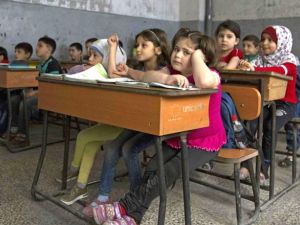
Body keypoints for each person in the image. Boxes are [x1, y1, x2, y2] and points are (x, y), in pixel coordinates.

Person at [92, 28, 226, 225]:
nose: (178, 55)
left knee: (170, 170)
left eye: (187, 52)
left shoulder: (211, 75)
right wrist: (166, 78)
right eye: (176, 49)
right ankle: (134, 218)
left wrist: (198, 56)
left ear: (202, 57)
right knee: (153, 169)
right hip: (177, 137)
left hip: (204, 141)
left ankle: (123, 207)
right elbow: (148, 77)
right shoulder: (172, 72)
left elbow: (204, 81)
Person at [81, 29, 170, 218]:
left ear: (158, 50)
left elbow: (156, 79)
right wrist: (113, 48)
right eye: (136, 45)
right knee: (113, 147)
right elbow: (113, 75)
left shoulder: (164, 71)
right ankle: (103, 196)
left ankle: (135, 199)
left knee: (129, 149)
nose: (138, 49)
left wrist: (130, 72)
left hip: (157, 125)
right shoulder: (137, 68)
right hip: (138, 121)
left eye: (143, 45)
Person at [59, 36, 127, 205]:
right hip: (110, 123)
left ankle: (73, 171)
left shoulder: (117, 76)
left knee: (84, 137)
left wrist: (111, 49)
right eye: (90, 55)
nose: (89, 59)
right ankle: (80, 186)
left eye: (95, 56)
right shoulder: (98, 76)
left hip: (123, 125)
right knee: (89, 145)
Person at [238, 25, 298, 183]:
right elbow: (252, 73)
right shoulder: (260, 59)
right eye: (263, 39)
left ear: (282, 42)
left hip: (285, 105)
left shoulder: (289, 60)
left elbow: (279, 71)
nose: (264, 43)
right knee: (250, 122)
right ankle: (245, 165)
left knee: (270, 127)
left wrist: (253, 69)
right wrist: (244, 68)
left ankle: (263, 169)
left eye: (270, 40)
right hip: (266, 102)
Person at [11, 36, 62, 147]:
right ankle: (13, 129)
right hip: (40, 92)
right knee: (14, 99)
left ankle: (23, 137)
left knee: (26, 102)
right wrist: (29, 90)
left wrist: (34, 93)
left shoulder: (53, 64)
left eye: (40, 46)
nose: (36, 48)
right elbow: (35, 82)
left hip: (51, 95)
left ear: (49, 49)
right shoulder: (40, 64)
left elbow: (52, 87)